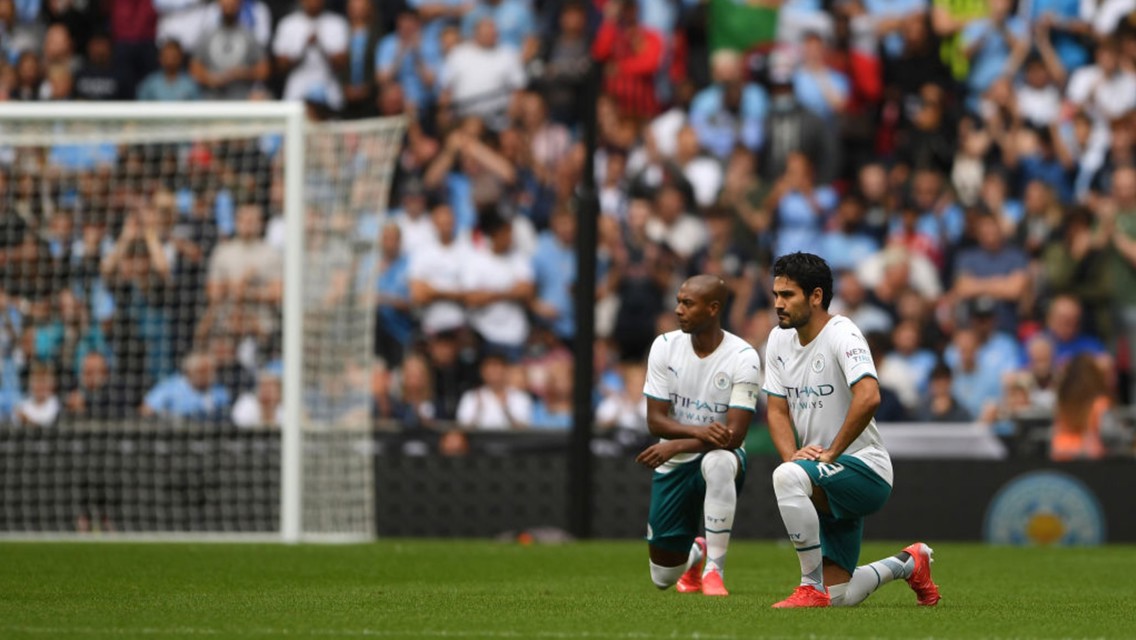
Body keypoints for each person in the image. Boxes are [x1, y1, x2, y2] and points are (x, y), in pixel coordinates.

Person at [763, 252, 940, 608]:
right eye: (776, 296)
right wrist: (793, 458)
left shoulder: (842, 333)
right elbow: (777, 409)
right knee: (839, 598)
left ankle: (808, 586)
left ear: (815, 296)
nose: (778, 304)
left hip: (864, 467)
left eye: (788, 295)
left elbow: (869, 396)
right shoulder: (778, 341)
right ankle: (909, 563)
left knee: (786, 478)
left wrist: (830, 452)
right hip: (822, 473)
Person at [638, 275, 761, 597]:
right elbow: (655, 421)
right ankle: (697, 554)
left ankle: (714, 572)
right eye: (678, 302)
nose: (678, 310)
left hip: (721, 456)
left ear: (713, 308)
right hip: (675, 462)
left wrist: (678, 442)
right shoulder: (664, 346)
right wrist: (694, 434)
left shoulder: (743, 356)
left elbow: (734, 435)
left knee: (719, 461)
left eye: (687, 303)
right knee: (663, 577)